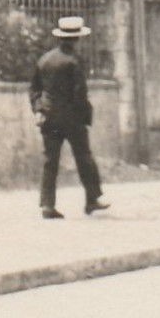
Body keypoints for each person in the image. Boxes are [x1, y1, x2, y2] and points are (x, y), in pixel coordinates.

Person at [29, 16, 107, 220]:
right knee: (84, 158)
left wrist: (38, 109)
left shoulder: (44, 60)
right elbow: (79, 93)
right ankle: (92, 199)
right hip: (72, 119)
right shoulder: (75, 61)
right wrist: (84, 117)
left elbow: (35, 88)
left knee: (50, 161)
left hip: (49, 118)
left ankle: (47, 205)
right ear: (76, 39)